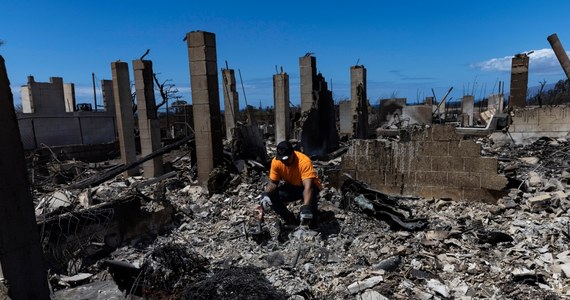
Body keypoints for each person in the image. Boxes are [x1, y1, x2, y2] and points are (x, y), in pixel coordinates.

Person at [260, 141, 322, 227]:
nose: (284, 162)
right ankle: (290, 219)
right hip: (293, 186)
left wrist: (306, 207)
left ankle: (312, 224)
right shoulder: (276, 162)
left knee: (311, 198)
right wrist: (266, 194)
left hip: (309, 187)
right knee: (272, 196)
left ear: (293, 153)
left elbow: (308, 187)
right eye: (281, 159)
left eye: (286, 159)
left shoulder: (304, 162)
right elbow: (273, 182)